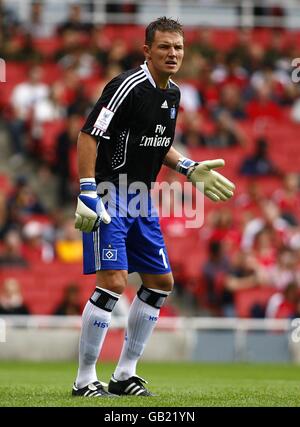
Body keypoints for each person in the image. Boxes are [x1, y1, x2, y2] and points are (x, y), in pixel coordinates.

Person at [73, 17, 235, 398]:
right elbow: (88, 134)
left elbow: (156, 143)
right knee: (113, 282)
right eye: (164, 46)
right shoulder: (127, 86)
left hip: (143, 197)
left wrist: (188, 167)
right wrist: (87, 190)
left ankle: (124, 375)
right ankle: (84, 380)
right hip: (112, 193)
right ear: (147, 50)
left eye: (178, 47)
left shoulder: (173, 94)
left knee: (161, 283)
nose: (172, 53)